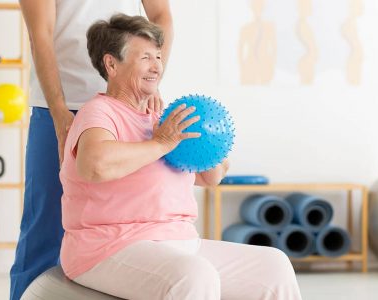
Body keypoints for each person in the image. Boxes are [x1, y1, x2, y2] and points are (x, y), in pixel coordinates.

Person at [59, 14, 302, 300]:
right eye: (146, 57)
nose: (156, 67)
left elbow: (210, 176)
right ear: (111, 64)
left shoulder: (162, 119)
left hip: (181, 241)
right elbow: (95, 165)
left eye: (158, 57)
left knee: (273, 266)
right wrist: (162, 142)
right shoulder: (100, 112)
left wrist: (210, 147)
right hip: (109, 246)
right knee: (196, 275)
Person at [11, 1, 172, 299]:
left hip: (129, 100)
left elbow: (162, 16)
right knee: (45, 225)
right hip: (62, 106)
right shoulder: (60, 112)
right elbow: (40, 34)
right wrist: (59, 114)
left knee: (133, 222)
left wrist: (151, 79)